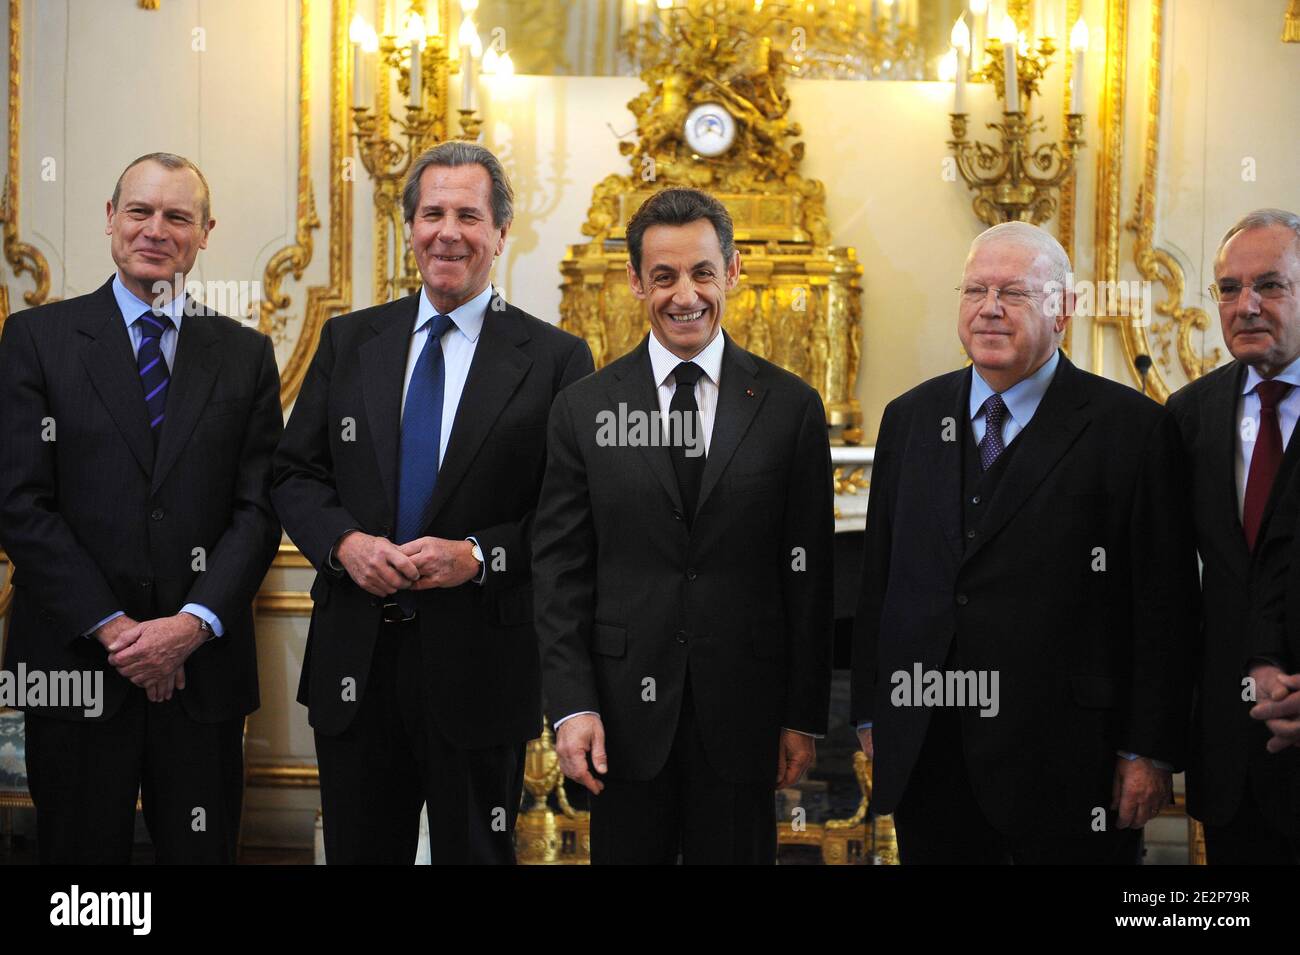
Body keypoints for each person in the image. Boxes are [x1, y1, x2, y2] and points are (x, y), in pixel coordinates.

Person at [272, 141, 593, 864]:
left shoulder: (556, 359)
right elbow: (295, 474)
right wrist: (345, 543)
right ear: (410, 227)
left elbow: (567, 516)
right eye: (432, 213)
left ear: (501, 235)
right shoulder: (350, 339)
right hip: (356, 660)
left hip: (482, 666)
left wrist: (478, 556)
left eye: (469, 216)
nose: (448, 231)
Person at [851, 221, 1198, 864]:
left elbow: (1164, 606)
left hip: (1071, 763)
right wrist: (874, 713)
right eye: (976, 289)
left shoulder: (1134, 430)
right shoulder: (909, 418)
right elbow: (882, 578)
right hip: (931, 751)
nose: (989, 308)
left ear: (1064, 309)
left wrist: (1145, 751)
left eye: (1013, 292)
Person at [532, 187, 833, 864]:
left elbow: (810, 578)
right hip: (620, 719)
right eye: (663, 276)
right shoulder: (583, 409)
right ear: (636, 281)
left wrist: (802, 715)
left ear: (732, 272)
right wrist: (572, 704)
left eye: (701, 272)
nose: (684, 294)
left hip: (745, 716)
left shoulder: (791, 408)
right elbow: (559, 572)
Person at [0, 152, 283, 863]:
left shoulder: (246, 354)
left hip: (202, 673)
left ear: (205, 231)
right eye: (140, 211)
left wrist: (188, 627)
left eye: (177, 216)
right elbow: (19, 502)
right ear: (110, 219)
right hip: (75, 666)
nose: (156, 229)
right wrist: (122, 633)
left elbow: (258, 510)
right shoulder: (37, 340)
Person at [1168, 208, 1300, 863]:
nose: (1245, 305)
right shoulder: (1187, 417)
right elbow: (1165, 594)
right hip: (1229, 764)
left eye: (1269, 285)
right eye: (1227, 288)